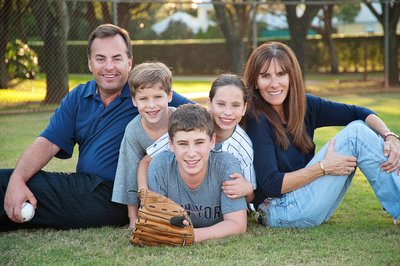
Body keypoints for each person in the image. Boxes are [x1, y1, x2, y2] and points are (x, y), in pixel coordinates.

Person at [0, 24, 191, 231]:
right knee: (12, 183)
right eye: (101, 59)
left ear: (129, 62)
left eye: (117, 58)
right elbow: (48, 142)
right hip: (85, 188)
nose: (109, 66)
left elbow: (206, 119)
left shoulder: (146, 94)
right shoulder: (78, 97)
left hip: (117, 195)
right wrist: (17, 179)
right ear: (90, 63)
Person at [243, 41, 400, 228]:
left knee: (359, 125)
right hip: (278, 209)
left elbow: (360, 112)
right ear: (255, 81)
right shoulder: (256, 118)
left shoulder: (304, 105)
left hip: (304, 200)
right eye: (265, 76)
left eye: (281, 74)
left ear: (292, 76)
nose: (274, 83)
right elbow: (270, 184)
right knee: (356, 134)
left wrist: (389, 136)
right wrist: (323, 167)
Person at [147, 104, 247, 242]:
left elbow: (238, 224)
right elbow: (157, 224)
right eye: (182, 144)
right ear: (171, 145)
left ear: (212, 141)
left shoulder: (225, 165)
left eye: (199, 142)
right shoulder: (160, 167)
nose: (191, 153)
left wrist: (188, 236)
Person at [111, 61, 177, 229]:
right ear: (134, 100)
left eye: (157, 97)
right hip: (152, 191)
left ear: (169, 95)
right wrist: (133, 218)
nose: (151, 105)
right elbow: (129, 173)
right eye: (143, 99)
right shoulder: (133, 131)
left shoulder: (181, 120)